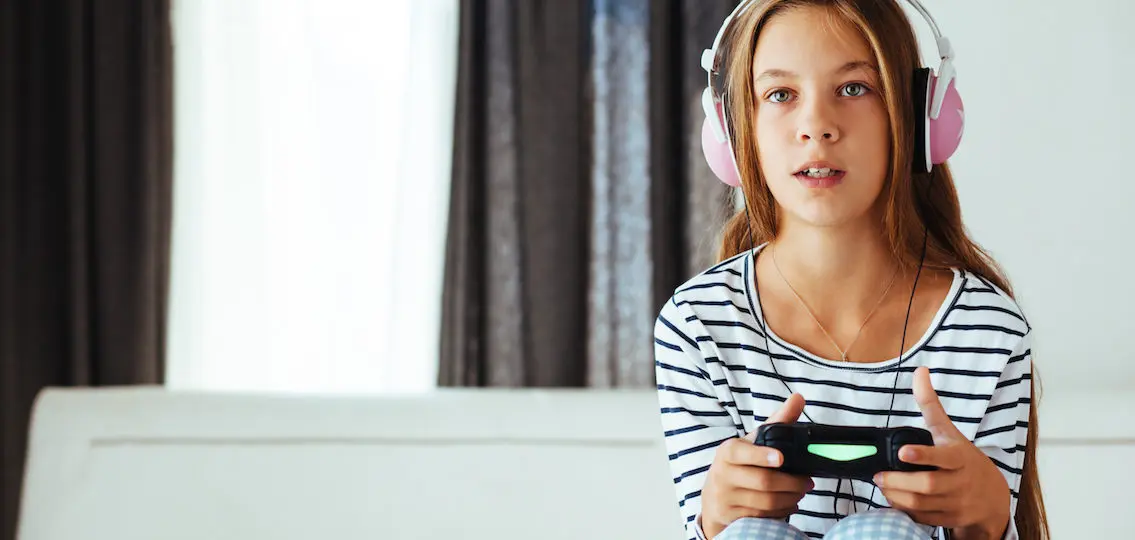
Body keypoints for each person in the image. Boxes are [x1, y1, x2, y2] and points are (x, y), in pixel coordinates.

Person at [653, 1, 1049, 539]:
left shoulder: (988, 330)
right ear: (734, 130)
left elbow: (988, 525)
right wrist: (716, 514)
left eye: (854, 88)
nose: (817, 126)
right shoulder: (697, 325)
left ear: (916, 114)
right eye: (780, 95)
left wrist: (985, 515)